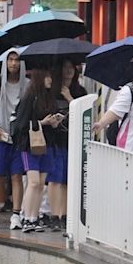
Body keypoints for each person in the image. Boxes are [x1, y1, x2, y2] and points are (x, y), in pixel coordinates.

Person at [0, 49, 29, 230]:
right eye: (10, 60)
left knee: (17, 176)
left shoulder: (27, 84)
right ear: (5, 62)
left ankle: (16, 214)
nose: (14, 64)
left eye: (17, 60)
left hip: (19, 137)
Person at [11, 68, 60, 233]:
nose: (50, 79)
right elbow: (20, 125)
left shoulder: (49, 99)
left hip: (46, 145)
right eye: (47, 76)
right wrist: (42, 123)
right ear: (39, 78)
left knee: (41, 184)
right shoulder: (29, 98)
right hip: (29, 146)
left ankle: (34, 217)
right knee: (33, 182)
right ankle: (26, 217)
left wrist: (54, 122)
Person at [48, 59, 87, 231]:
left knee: (66, 180)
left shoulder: (80, 91)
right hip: (55, 140)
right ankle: (54, 215)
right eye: (65, 67)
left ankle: (64, 215)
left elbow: (84, 113)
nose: (69, 71)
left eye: (72, 68)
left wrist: (70, 98)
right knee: (55, 179)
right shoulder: (52, 92)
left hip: (72, 140)